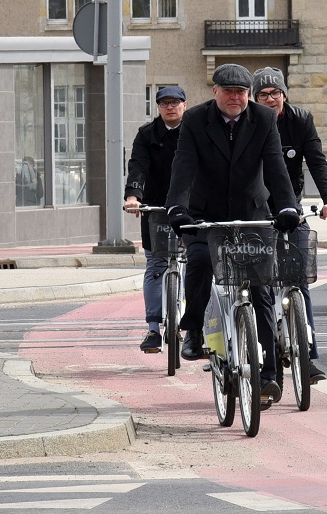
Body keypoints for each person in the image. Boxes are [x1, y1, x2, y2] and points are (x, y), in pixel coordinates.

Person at [166, 64, 300, 408]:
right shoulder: (195, 120)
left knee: (262, 292)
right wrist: (176, 210)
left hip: (252, 213)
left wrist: (286, 208)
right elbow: (183, 168)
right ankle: (194, 330)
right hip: (204, 213)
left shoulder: (264, 120)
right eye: (229, 91)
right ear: (215, 92)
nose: (236, 98)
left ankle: (269, 374)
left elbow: (275, 168)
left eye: (242, 92)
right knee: (198, 260)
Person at [251, 67, 327, 382]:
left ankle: (308, 356)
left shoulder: (300, 120)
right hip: (257, 209)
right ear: (255, 98)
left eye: (276, 93)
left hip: (291, 210)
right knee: (256, 284)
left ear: (284, 95)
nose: (271, 99)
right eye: (264, 94)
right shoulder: (249, 123)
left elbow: (316, 161)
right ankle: (258, 352)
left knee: (299, 280)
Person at [124, 85, 187, 353]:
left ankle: (196, 328)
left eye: (175, 102)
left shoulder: (194, 131)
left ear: (184, 104)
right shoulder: (147, 134)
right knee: (155, 264)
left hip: (189, 206)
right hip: (156, 208)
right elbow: (137, 164)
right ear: (158, 107)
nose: (170, 107)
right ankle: (152, 329)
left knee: (199, 263)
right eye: (164, 103)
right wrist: (133, 197)